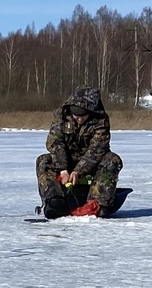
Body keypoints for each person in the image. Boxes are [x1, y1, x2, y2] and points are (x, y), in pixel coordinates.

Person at [35, 87, 124, 219]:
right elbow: (55, 142)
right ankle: (55, 201)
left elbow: (97, 149)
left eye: (83, 115)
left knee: (113, 160)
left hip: (91, 163)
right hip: (66, 160)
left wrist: (78, 171)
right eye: (76, 115)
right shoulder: (61, 116)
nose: (79, 119)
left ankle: (99, 204)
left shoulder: (101, 120)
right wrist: (63, 169)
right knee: (43, 161)